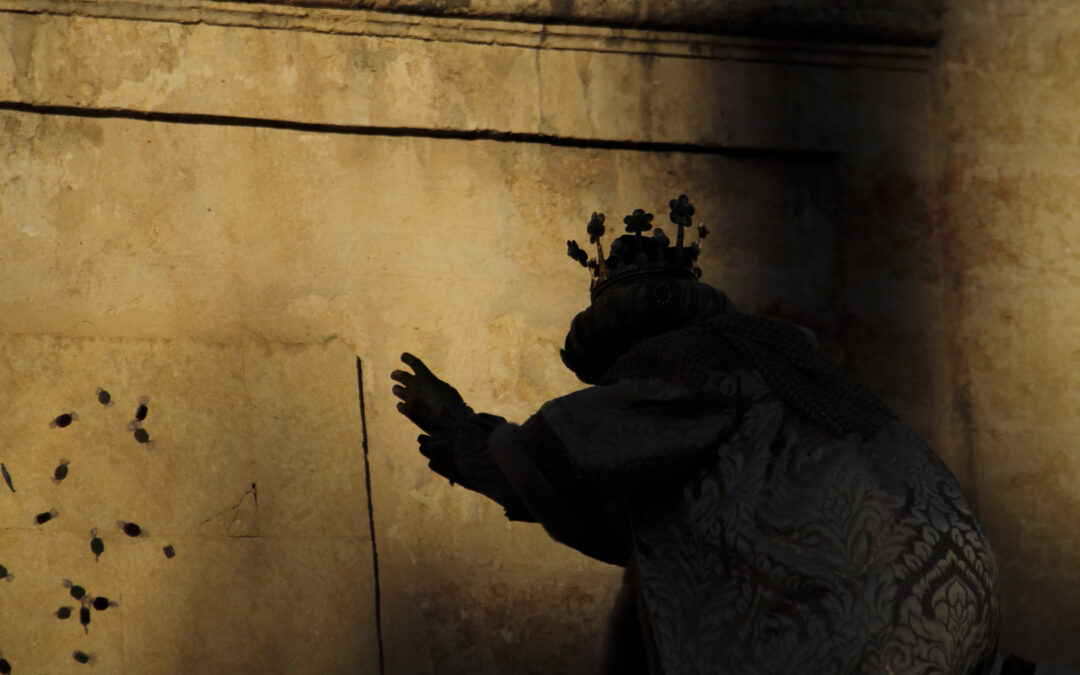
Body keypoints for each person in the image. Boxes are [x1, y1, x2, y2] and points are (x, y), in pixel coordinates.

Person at [391, 196, 1000, 674]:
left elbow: (562, 460)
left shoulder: (692, 363)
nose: (617, 391)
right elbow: (635, 536)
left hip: (852, 617)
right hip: (951, 597)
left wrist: (457, 424)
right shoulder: (784, 376)